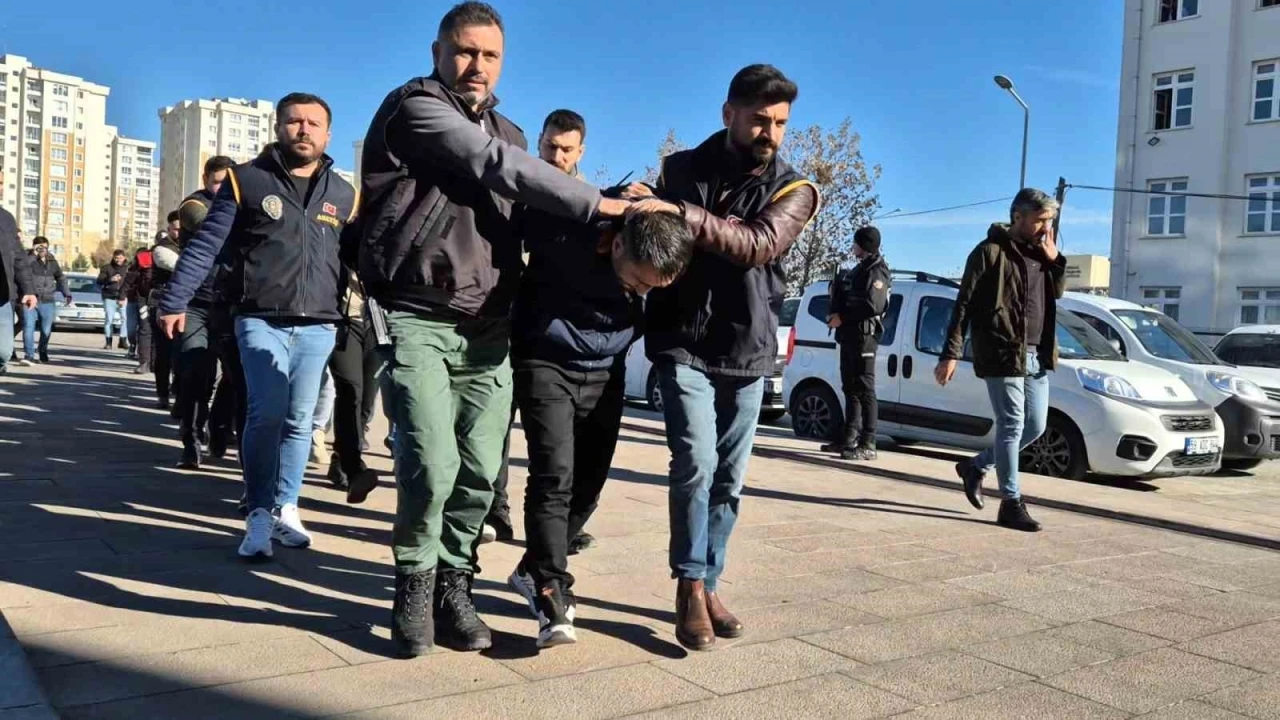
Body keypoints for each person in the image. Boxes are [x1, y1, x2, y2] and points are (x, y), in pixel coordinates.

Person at [355, 1, 631, 657]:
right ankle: (414, 585)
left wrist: (626, 207)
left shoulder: (509, 130)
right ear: (438, 52)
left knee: (481, 472)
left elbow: (530, 213)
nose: (476, 65)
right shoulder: (415, 109)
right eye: (464, 50)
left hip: (488, 324)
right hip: (417, 313)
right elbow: (490, 163)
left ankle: (456, 585)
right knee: (432, 462)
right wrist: (597, 201)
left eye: (490, 55)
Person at [632, 64, 819, 651]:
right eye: (760, 120)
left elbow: (758, 244)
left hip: (746, 346)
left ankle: (710, 582)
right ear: (729, 113)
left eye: (780, 123)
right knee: (695, 461)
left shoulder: (796, 189)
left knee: (730, 478)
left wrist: (680, 213)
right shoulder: (679, 170)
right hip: (681, 339)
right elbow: (656, 239)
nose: (770, 133)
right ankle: (690, 585)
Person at [505, 115, 695, 649]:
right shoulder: (570, 230)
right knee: (554, 475)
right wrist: (610, 201)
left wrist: (662, 201)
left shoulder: (654, 261)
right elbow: (536, 208)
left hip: (605, 370)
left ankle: (534, 564)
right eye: (636, 282)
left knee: (589, 484)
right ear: (615, 246)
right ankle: (551, 589)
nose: (640, 293)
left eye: (651, 289)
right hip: (546, 360)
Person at [159, 92, 358, 561]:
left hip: (319, 323)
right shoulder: (245, 180)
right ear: (278, 127)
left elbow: (357, 257)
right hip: (259, 317)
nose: (304, 130)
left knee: (300, 421)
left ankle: (287, 507)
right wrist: (175, 299)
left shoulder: (344, 193)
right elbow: (205, 244)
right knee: (266, 412)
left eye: (313, 123)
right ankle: (259, 512)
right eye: (294, 121)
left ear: (328, 134)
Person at [484, 108, 596, 548]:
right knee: (498, 420)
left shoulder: (590, 202)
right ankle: (494, 509)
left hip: (554, 335)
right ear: (540, 141)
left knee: (554, 440)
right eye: (550, 146)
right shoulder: (518, 191)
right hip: (504, 320)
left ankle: (559, 524)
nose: (557, 156)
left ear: (580, 151)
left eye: (566, 149)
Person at [935, 188, 1065, 533]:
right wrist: (950, 353)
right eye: (1040, 220)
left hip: (1037, 353)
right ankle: (1010, 503)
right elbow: (963, 305)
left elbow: (1057, 294)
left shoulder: (1041, 253)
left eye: (1050, 221)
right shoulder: (988, 252)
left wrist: (1056, 261)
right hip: (1002, 349)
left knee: (1035, 426)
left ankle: (975, 466)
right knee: (1012, 424)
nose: (1046, 228)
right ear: (1018, 217)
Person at [171, 155, 237, 469]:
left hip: (230, 302)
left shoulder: (243, 204)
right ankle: (191, 441)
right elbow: (211, 229)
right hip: (197, 303)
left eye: (228, 183)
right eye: (217, 182)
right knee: (197, 373)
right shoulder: (193, 205)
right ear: (206, 180)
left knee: (235, 374)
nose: (222, 188)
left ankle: (220, 428)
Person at [821, 226, 890, 460]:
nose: (853, 247)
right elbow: (850, 296)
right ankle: (848, 438)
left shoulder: (877, 270)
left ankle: (868, 443)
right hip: (849, 337)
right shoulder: (860, 269)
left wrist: (843, 317)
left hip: (864, 339)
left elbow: (873, 305)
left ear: (865, 245)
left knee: (865, 389)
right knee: (850, 388)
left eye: (856, 243)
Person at [325, 270, 384, 501]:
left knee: (367, 400)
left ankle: (341, 458)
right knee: (350, 391)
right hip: (344, 320)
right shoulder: (339, 246)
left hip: (379, 321)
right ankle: (354, 468)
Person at [21, 236, 73, 365]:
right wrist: (33, 255)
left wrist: (67, 293)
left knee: (46, 330)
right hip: (30, 299)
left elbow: (60, 277)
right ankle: (29, 355)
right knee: (28, 326)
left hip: (48, 300)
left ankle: (42, 350)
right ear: (34, 247)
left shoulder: (52, 261)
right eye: (39, 246)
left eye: (44, 246)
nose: (42, 249)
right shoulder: (28, 258)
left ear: (48, 247)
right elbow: (22, 269)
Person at [151, 215, 183, 410]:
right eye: (176, 229)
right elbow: (180, 267)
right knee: (164, 352)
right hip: (163, 302)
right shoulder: (161, 249)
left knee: (182, 353)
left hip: (186, 304)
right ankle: (162, 394)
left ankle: (180, 394)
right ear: (169, 229)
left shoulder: (190, 244)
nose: (179, 232)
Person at [1, 208, 36, 375]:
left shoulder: (5, 218)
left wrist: (28, 290)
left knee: (3, 352)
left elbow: (19, 257)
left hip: (2, 295)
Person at [121, 246, 155, 373]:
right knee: (143, 329)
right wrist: (121, 296)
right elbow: (128, 280)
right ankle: (145, 361)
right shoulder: (141, 262)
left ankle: (153, 362)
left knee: (152, 331)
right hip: (142, 300)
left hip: (160, 300)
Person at [97, 249, 130, 351]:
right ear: (113, 257)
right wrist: (110, 279)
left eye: (120, 258)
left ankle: (123, 340)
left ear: (124, 257)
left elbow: (130, 283)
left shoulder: (128, 269)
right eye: (116, 258)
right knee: (109, 320)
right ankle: (108, 342)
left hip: (123, 298)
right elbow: (99, 281)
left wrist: (125, 296)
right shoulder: (107, 268)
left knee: (125, 319)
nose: (118, 260)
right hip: (109, 297)